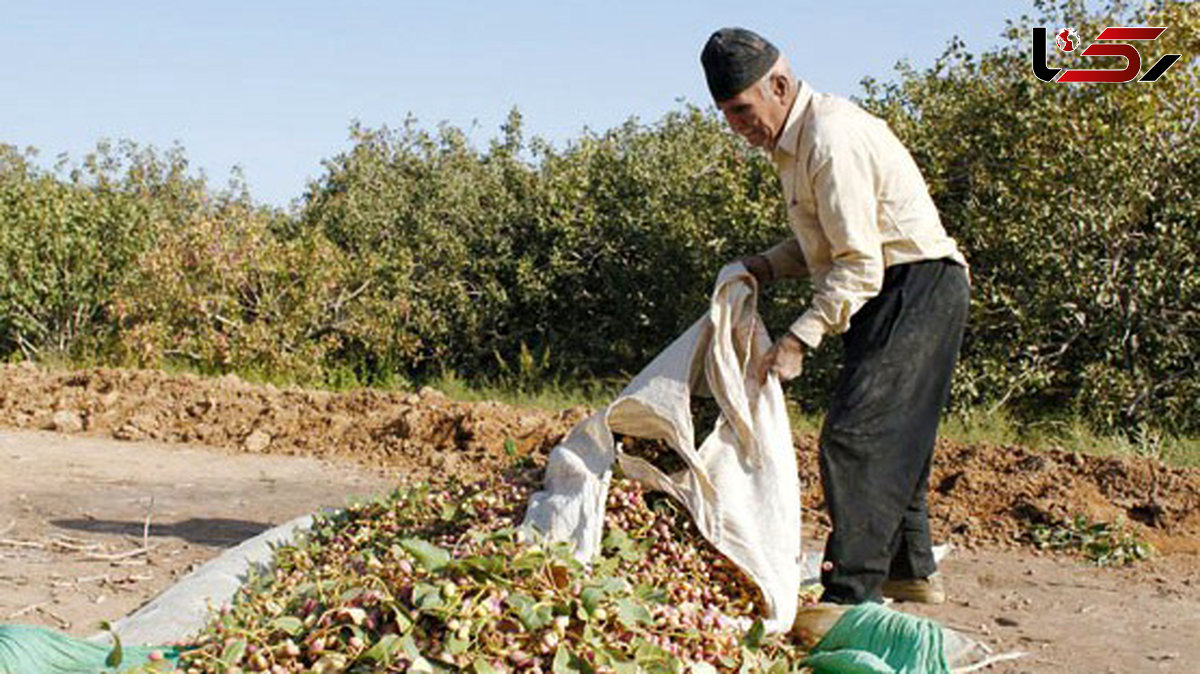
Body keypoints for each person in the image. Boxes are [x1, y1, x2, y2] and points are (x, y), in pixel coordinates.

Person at [699, 27, 971, 626]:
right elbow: (823, 244)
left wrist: (798, 338)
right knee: (897, 438)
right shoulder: (791, 147)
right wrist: (762, 267)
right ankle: (909, 568)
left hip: (915, 284)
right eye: (726, 115)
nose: (737, 127)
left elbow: (860, 263)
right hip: (892, 286)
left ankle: (851, 597)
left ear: (779, 84)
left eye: (742, 109)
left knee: (857, 436)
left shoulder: (828, 137)